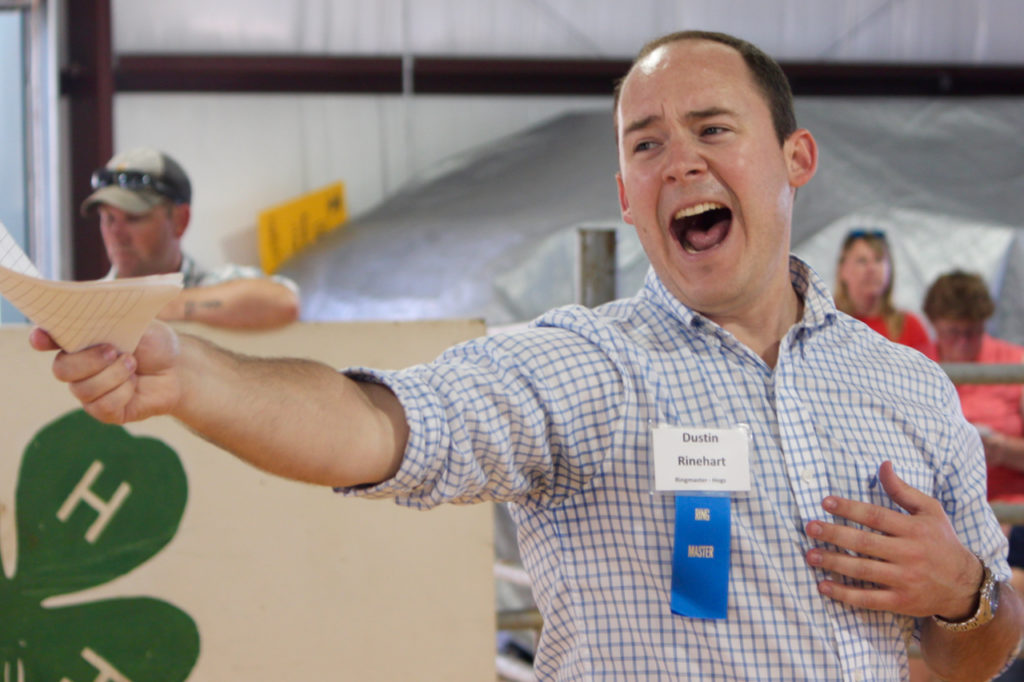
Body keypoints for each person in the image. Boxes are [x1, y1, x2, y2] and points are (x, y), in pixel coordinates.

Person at [33, 31, 1022, 680]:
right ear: (628, 195)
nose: (677, 158)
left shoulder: (907, 385)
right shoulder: (586, 370)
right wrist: (197, 378)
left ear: (793, 161)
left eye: (712, 128)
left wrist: (965, 592)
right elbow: (381, 426)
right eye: (645, 144)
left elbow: (978, 646)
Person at [82, 147, 300, 329]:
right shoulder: (86, 307)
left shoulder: (215, 285)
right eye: (109, 218)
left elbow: (285, 302)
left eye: (134, 218)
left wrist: (161, 306)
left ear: (180, 220)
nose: (117, 234)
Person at [923, 271, 1024, 502]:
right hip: (936, 505)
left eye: (972, 332)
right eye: (952, 332)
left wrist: (1004, 450)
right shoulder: (916, 364)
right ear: (934, 324)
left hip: (1005, 503)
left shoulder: (1015, 364)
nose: (962, 343)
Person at [834, 228, 933, 354]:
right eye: (862, 261)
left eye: (879, 260)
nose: (871, 268)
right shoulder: (827, 322)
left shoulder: (910, 326)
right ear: (843, 269)